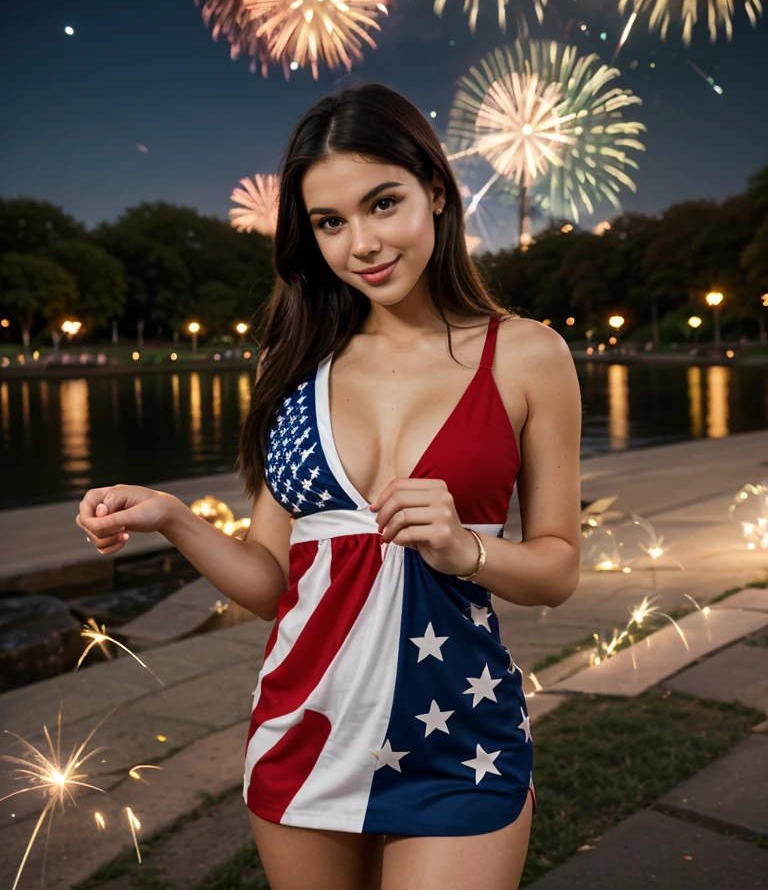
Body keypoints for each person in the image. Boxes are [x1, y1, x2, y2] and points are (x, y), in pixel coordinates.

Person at [76, 82, 582, 890]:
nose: (363, 244)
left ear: (437, 193)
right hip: (305, 729)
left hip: (459, 736)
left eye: (384, 204)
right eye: (330, 222)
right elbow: (272, 582)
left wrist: (465, 547)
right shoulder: (295, 372)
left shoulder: (526, 356)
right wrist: (173, 519)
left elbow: (558, 567)